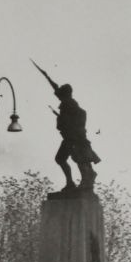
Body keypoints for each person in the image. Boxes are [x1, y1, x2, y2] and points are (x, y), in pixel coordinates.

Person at [32, 60, 101, 191]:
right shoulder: (67, 102)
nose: (58, 96)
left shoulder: (70, 104)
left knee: (80, 159)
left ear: (65, 94)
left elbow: (77, 120)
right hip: (70, 138)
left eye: (61, 94)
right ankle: (71, 182)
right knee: (63, 159)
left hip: (74, 138)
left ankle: (86, 180)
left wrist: (68, 127)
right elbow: (56, 88)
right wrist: (47, 77)